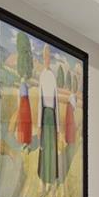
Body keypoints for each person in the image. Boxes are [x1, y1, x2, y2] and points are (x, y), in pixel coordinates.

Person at [36, 45, 61, 189]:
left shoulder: (53, 76)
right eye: (44, 56)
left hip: (52, 115)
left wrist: (58, 128)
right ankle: (42, 180)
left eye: (48, 56)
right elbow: (40, 101)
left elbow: (57, 102)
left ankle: (51, 178)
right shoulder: (42, 75)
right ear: (43, 57)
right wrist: (39, 125)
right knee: (44, 147)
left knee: (52, 148)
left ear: (50, 58)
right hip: (44, 116)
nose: (46, 58)